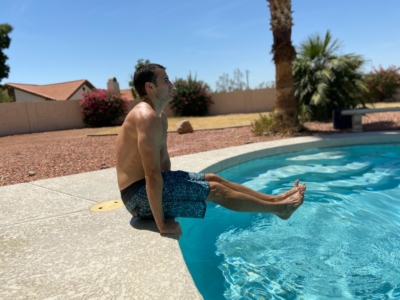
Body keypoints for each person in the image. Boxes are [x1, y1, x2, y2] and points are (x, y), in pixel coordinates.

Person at [116, 63, 306, 238]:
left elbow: (164, 165)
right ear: (150, 87)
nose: (171, 83)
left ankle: (277, 200)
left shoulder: (160, 116)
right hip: (137, 199)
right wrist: (162, 225)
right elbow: (152, 175)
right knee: (215, 190)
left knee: (214, 178)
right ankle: (280, 209)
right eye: (165, 80)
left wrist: (175, 188)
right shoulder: (146, 117)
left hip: (147, 187)